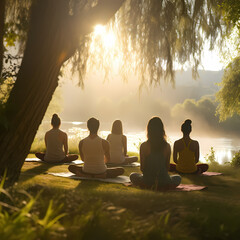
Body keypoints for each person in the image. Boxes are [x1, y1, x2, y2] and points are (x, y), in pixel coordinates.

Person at [130, 117, 181, 190]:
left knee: (132, 175)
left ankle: (147, 185)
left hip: (147, 180)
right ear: (161, 130)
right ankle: (163, 186)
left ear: (149, 130)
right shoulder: (167, 146)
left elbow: (142, 168)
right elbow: (167, 168)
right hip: (164, 180)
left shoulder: (144, 146)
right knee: (178, 178)